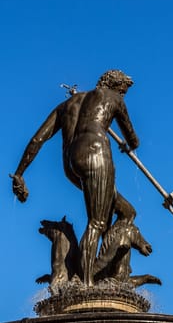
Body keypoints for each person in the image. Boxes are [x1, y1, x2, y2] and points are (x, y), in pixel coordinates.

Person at [11, 70, 139, 286]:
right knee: (97, 222)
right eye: (123, 92)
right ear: (117, 87)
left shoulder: (68, 105)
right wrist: (129, 145)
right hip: (96, 153)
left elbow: (37, 139)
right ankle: (88, 283)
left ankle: (101, 271)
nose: (123, 96)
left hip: (71, 162)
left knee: (125, 211)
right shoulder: (114, 98)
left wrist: (20, 173)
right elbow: (132, 137)